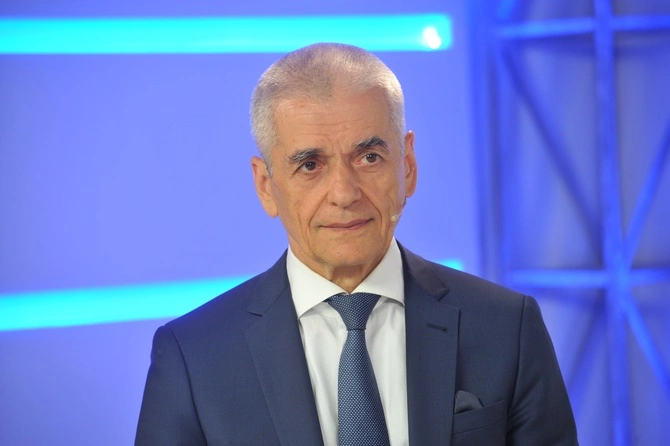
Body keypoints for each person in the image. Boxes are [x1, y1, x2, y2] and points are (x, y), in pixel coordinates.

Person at [135, 43, 577, 445]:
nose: (344, 193)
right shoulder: (193, 357)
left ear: (408, 165)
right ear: (266, 185)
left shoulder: (507, 327)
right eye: (310, 165)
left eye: (369, 157)